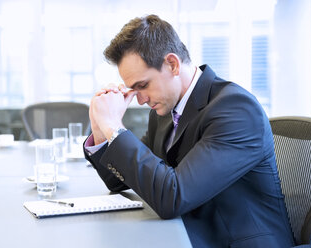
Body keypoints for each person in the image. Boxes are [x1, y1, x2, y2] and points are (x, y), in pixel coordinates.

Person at [84, 14, 295, 247]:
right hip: (184, 234)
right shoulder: (165, 110)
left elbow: (173, 197)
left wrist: (115, 127)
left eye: (142, 86)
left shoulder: (236, 110)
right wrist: (100, 128)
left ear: (172, 64)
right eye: (132, 89)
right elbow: (120, 181)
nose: (140, 100)